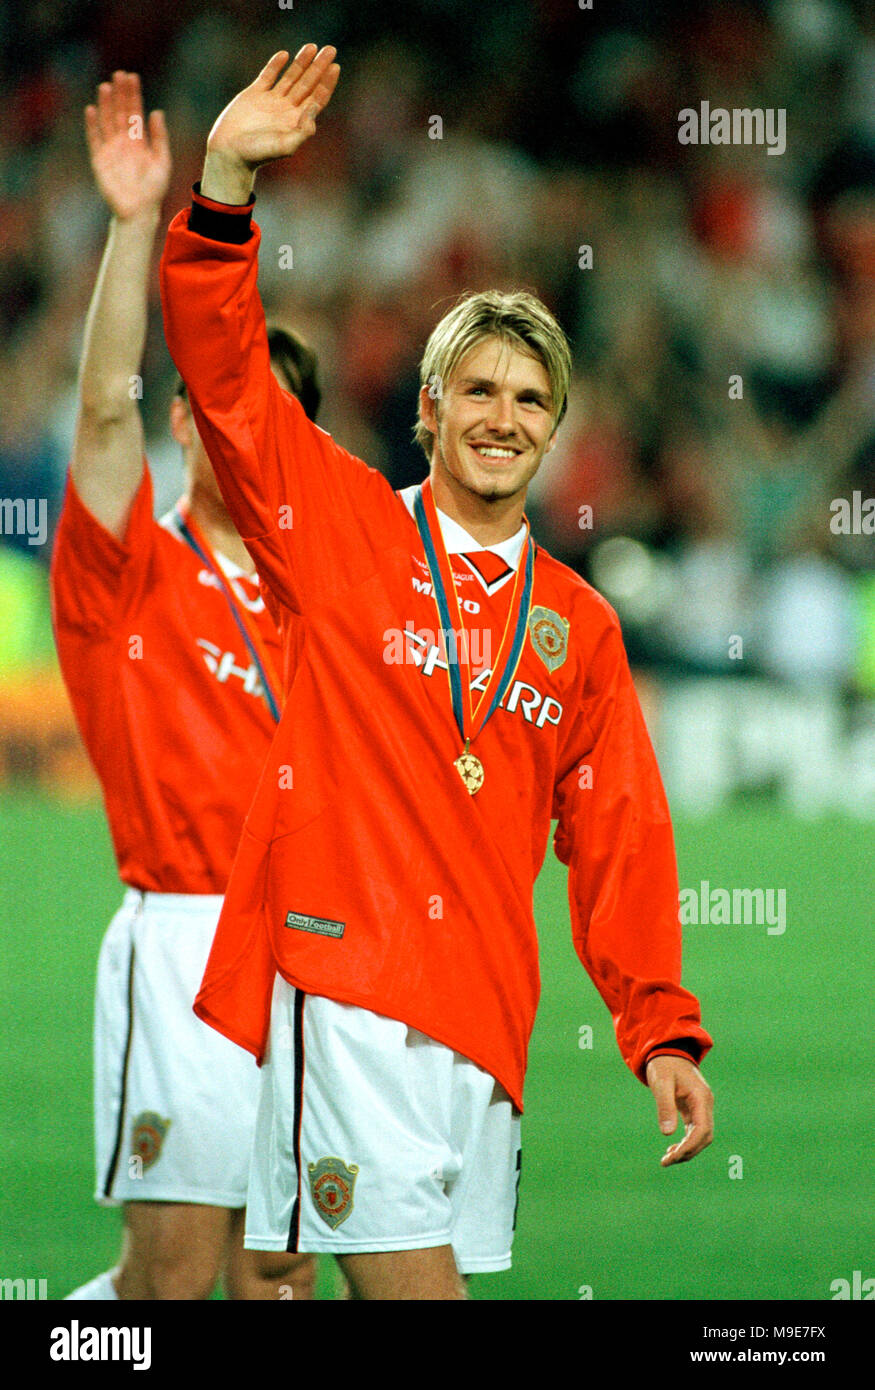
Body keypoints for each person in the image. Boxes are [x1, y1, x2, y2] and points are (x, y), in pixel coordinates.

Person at [160, 46, 715, 1302]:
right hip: (343, 992)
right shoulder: (343, 526)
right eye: (477, 388)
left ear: (555, 426)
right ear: (428, 403)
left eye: (529, 397)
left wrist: (658, 1027)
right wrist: (226, 183)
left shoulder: (577, 625)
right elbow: (233, 386)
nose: (502, 416)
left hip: (481, 1027)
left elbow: (620, 832)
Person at [51, 70, 319, 1300]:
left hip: (315, 954)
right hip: (185, 941)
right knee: (169, 1287)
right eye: (212, 401)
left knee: (277, 1274)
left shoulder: (326, 598)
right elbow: (100, 407)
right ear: (182, 419)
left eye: (255, 411)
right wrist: (129, 223)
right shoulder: (129, 572)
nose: (229, 426)